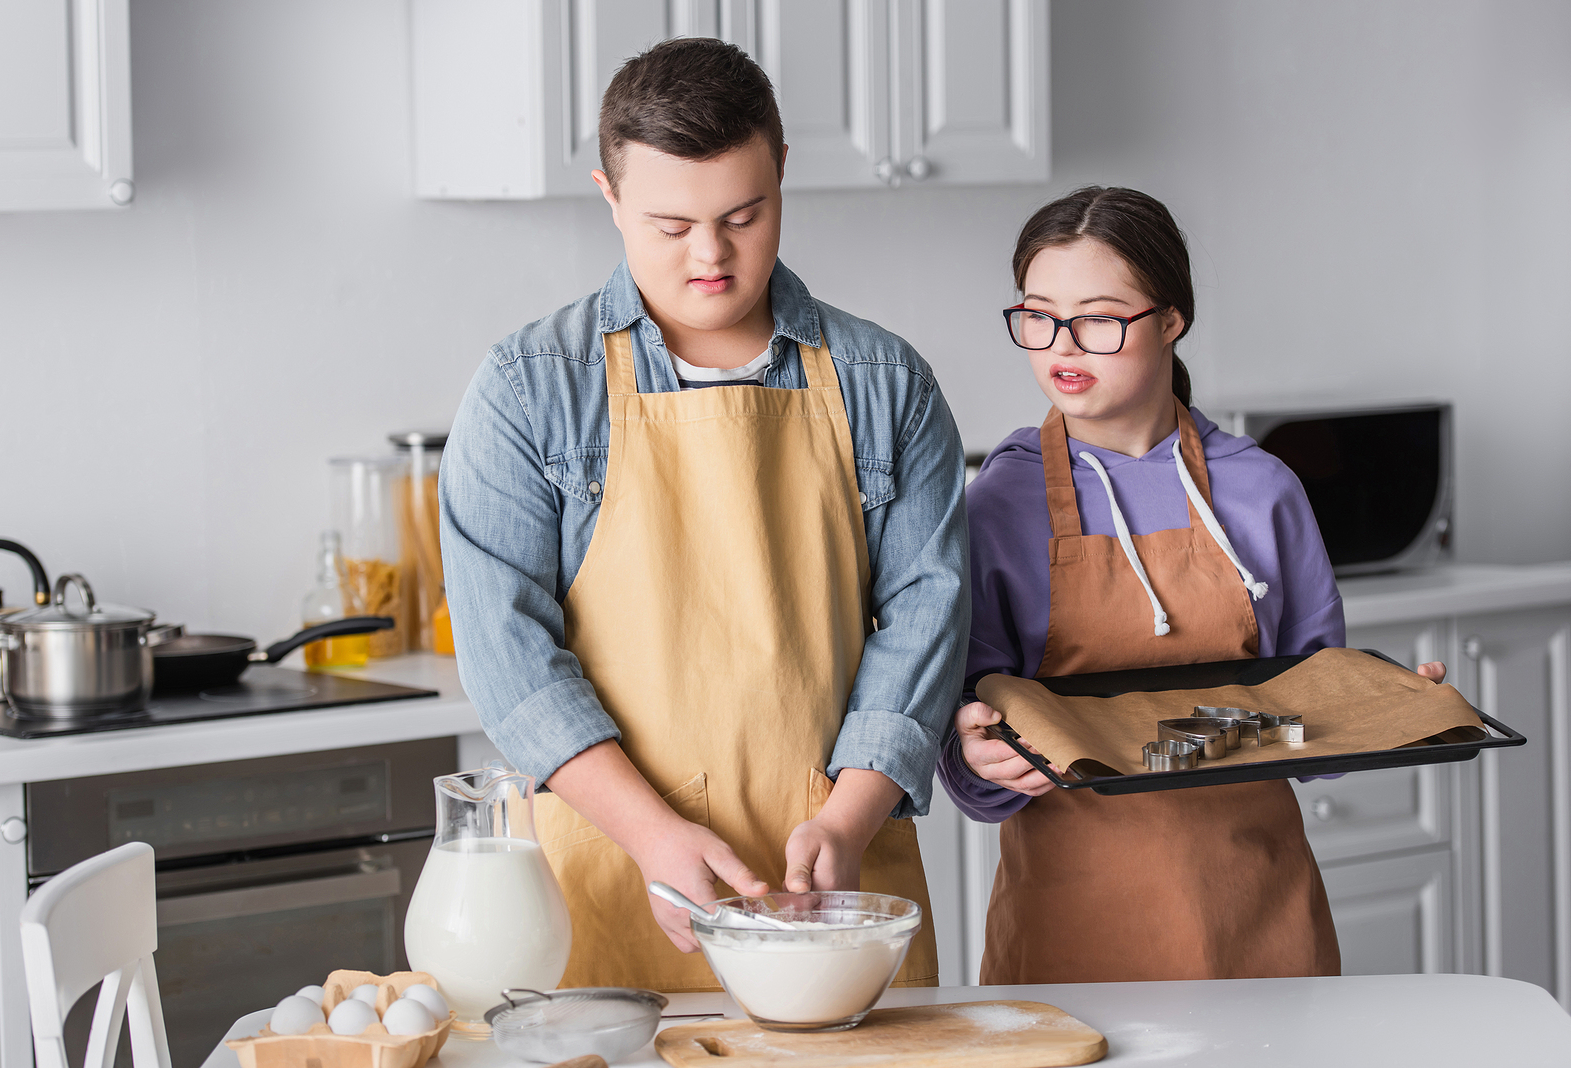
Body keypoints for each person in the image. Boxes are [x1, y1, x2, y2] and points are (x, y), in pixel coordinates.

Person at [440, 38, 968, 992]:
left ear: (782, 173)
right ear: (608, 193)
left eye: (743, 215)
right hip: (604, 879)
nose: (711, 255)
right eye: (670, 224)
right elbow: (504, 653)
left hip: (835, 889)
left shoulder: (887, 384)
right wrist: (651, 835)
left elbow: (928, 616)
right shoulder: (531, 389)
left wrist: (848, 822)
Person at [937, 186, 1446, 984]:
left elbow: (1309, 718)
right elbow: (969, 738)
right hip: (1072, 917)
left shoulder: (1262, 491)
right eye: (1038, 316)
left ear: (1172, 320)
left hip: (1254, 909)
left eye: (1100, 319)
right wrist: (978, 755)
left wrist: (1380, 709)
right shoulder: (999, 502)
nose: (1063, 346)